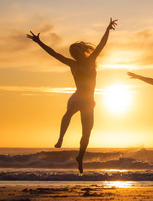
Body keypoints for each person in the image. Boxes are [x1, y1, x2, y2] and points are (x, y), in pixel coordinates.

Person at [27, 18, 118, 174]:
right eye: (72, 53)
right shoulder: (72, 64)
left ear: (82, 51)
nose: (74, 54)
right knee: (69, 113)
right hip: (77, 97)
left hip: (89, 101)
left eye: (76, 52)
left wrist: (107, 29)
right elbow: (54, 54)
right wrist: (39, 42)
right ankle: (61, 138)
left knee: (87, 132)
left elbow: (102, 44)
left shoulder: (91, 60)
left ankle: (80, 157)